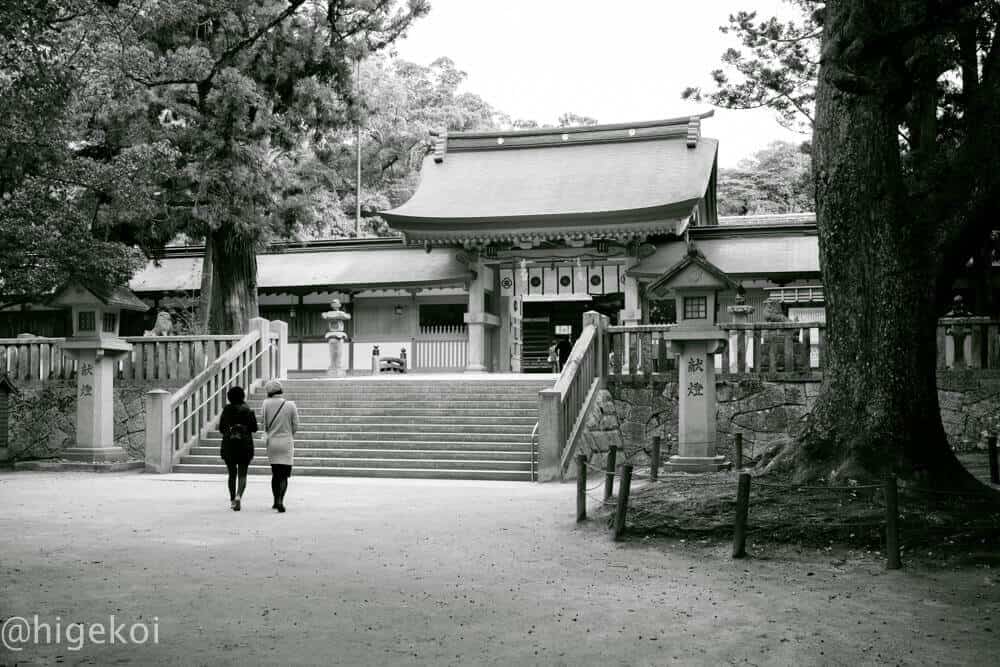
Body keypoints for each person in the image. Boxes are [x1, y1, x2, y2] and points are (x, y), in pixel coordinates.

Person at [262, 379, 299, 513]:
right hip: (286, 443)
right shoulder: (291, 405)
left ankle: (275, 500)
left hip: (272, 442)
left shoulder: (265, 404)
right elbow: (296, 425)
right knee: (284, 475)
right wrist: (289, 433)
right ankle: (281, 501)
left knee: (275, 473)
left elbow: (264, 423)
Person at [219, 386, 258, 511]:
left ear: (229, 397)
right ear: (243, 396)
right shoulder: (248, 410)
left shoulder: (226, 410)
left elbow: (221, 428)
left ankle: (232, 500)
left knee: (231, 474)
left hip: (229, 445)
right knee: (242, 473)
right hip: (244, 445)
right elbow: (254, 428)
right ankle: (238, 496)